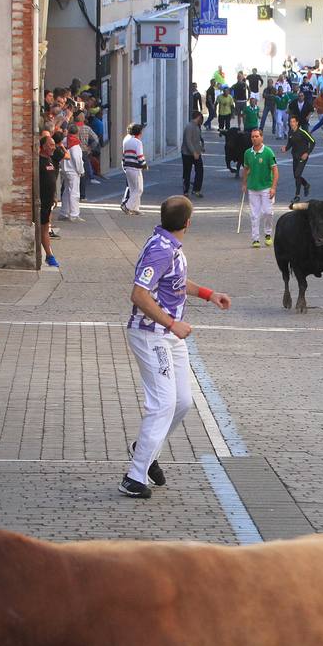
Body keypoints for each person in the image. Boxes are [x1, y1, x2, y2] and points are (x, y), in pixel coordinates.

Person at [120, 195, 232, 499]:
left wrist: (208, 294)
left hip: (168, 334)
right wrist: (172, 324)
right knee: (164, 403)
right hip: (151, 333)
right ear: (188, 223)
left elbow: (178, 282)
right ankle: (134, 476)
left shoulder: (170, 247)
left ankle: (146, 450)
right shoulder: (160, 250)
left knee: (183, 401)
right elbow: (139, 295)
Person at [241, 129, 278, 247]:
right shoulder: (247, 153)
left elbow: (275, 171)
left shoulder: (268, 152)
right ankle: (255, 239)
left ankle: (267, 233)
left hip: (266, 187)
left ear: (262, 138)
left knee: (268, 212)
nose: (254, 139)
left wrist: (273, 187)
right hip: (253, 187)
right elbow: (246, 169)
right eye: (252, 137)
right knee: (254, 214)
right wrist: (244, 183)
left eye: (257, 136)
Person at [37, 135, 63, 267]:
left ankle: (48, 255)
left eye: (54, 145)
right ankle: (49, 255)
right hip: (40, 203)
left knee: (45, 228)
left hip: (48, 202)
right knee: (42, 228)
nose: (53, 147)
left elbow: (51, 180)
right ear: (43, 147)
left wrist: (53, 196)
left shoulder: (50, 160)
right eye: (51, 145)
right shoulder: (38, 162)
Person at [284, 114, 315, 202]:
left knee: (297, 175)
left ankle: (297, 196)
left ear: (297, 123)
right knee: (296, 176)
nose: (292, 123)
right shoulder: (290, 132)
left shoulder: (303, 132)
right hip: (295, 156)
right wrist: (285, 148)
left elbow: (313, 142)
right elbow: (289, 144)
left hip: (303, 157)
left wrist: (307, 153)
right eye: (290, 122)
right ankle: (306, 184)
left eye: (293, 122)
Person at [120, 123, 147, 215]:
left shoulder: (126, 140)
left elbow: (124, 155)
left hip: (128, 167)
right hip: (135, 168)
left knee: (132, 189)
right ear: (139, 132)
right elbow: (140, 156)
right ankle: (128, 206)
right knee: (139, 189)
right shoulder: (137, 142)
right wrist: (144, 165)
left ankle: (135, 208)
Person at [59, 126, 84, 221]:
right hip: (73, 170)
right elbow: (77, 159)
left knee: (66, 191)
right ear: (77, 133)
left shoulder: (65, 140)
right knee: (74, 192)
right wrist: (80, 170)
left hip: (65, 169)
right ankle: (74, 214)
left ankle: (64, 212)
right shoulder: (75, 144)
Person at [181, 111, 205, 198]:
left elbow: (196, 140)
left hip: (196, 153)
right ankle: (186, 191)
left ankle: (196, 189)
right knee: (187, 172)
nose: (201, 121)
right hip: (187, 154)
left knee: (200, 170)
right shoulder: (189, 127)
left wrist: (200, 148)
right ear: (198, 117)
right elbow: (188, 141)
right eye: (201, 118)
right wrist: (193, 152)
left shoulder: (197, 127)